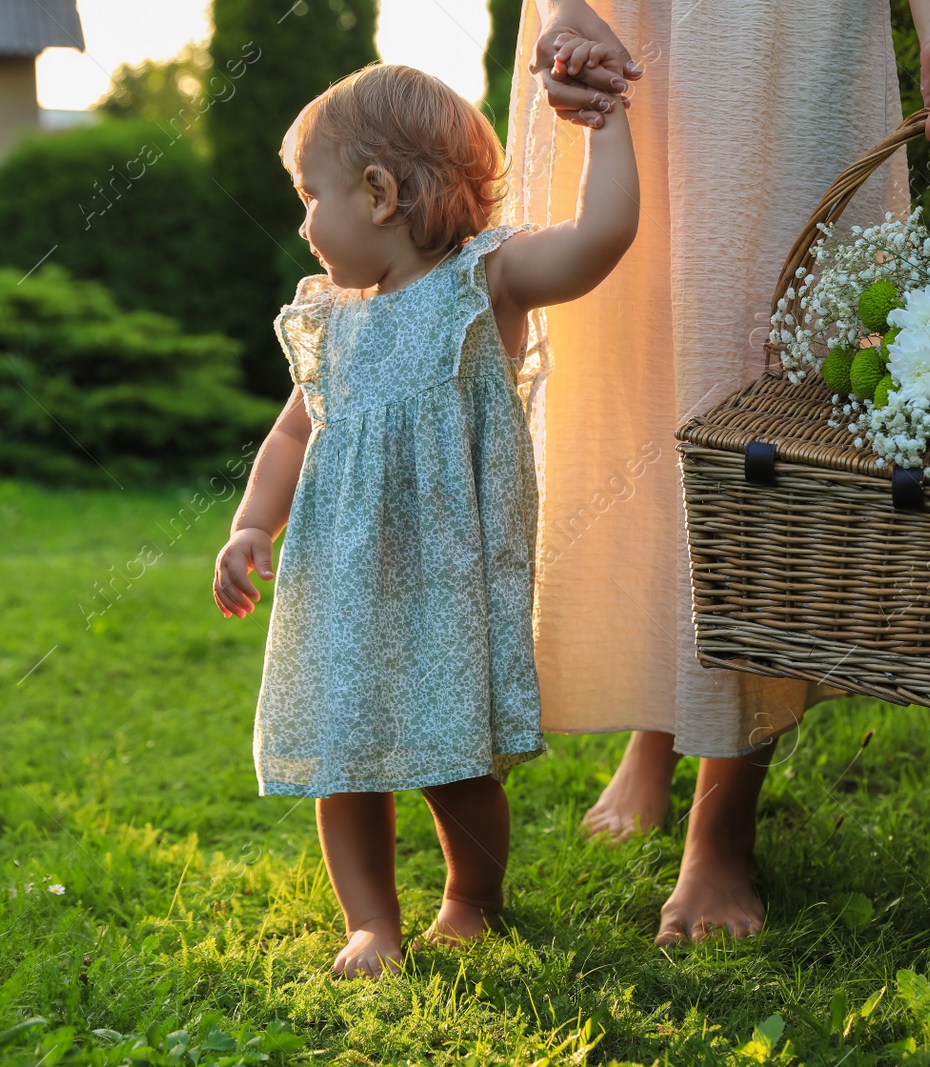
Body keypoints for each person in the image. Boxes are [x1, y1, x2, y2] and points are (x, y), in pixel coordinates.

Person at [501, 0, 930, 945]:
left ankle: (722, 813)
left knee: (757, 375)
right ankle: (660, 723)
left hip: (782, 28)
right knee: (630, 362)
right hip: (630, 22)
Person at [212, 62, 638, 978]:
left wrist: (607, 127)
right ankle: (372, 923)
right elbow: (292, 434)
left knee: (454, 760)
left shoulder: (486, 280)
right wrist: (252, 525)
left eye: (309, 197)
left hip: (446, 578)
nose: (302, 222)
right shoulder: (333, 318)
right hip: (340, 580)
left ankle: (470, 897)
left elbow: (603, 238)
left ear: (378, 193)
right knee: (343, 757)